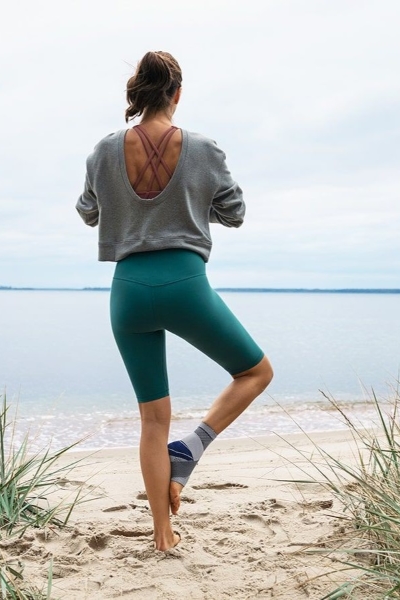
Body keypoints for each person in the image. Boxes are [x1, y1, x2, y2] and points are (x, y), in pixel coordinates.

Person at [76, 51, 273, 551]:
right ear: (177, 94)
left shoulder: (102, 150)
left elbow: (87, 212)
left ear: (135, 92)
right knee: (255, 373)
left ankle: (163, 535)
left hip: (128, 293)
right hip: (185, 284)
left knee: (152, 418)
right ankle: (192, 448)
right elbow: (235, 213)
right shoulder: (205, 148)